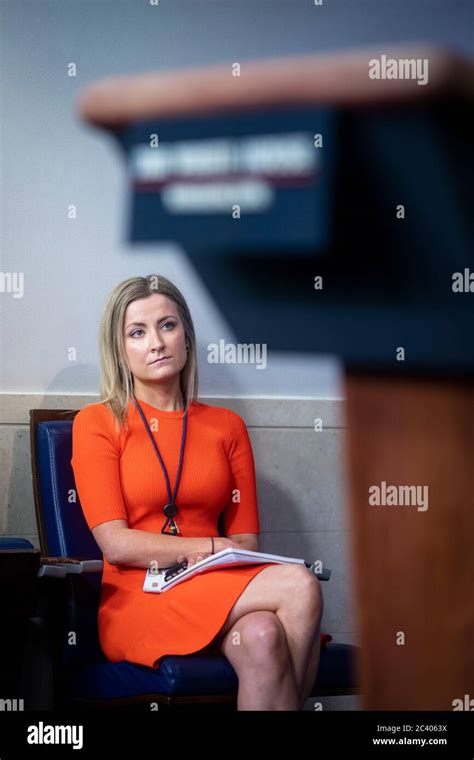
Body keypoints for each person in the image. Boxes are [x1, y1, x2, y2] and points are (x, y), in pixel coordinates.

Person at [71, 274, 323, 710]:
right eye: (137, 332)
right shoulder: (97, 421)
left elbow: (245, 544)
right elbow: (116, 544)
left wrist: (211, 557)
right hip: (140, 596)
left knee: (263, 636)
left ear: (186, 335)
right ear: (119, 350)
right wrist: (206, 546)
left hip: (214, 586)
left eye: (167, 325)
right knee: (300, 586)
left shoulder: (227, 427)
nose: (156, 342)